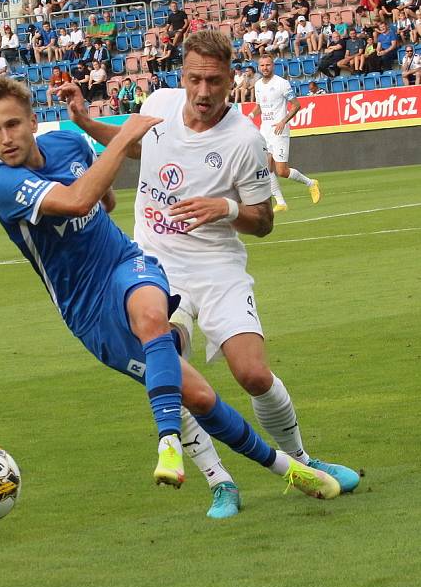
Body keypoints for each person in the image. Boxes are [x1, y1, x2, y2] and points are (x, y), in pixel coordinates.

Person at [0, 74, 343, 501]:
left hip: (123, 260)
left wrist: (98, 169)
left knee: (153, 319)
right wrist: (121, 138)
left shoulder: (68, 145)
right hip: (89, 310)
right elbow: (78, 201)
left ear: (33, 121)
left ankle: (167, 440)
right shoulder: (3, 185)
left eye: (13, 124)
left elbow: (104, 199)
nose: (5, 138)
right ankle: (284, 468)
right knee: (201, 397)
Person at [59, 31, 358, 518]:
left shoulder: (245, 140)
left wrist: (224, 207)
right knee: (170, 371)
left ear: (230, 81)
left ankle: (303, 461)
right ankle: (221, 483)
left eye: (214, 82)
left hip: (218, 269)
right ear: (182, 76)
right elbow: (132, 148)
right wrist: (84, 121)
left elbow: (262, 223)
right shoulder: (158, 103)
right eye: (194, 79)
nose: (202, 92)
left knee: (253, 374)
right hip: (154, 265)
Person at [251, 55, 320, 212]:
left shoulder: (282, 83)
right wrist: (249, 117)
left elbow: (296, 105)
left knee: (282, 171)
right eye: (262, 65)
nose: (265, 68)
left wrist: (283, 121)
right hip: (265, 131)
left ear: (273, 66)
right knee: (266, 167)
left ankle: (311, 183)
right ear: (259, 67)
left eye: (267, 65)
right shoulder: (258, 85)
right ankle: (281, 202)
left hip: (279, 130)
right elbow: (259, 107)